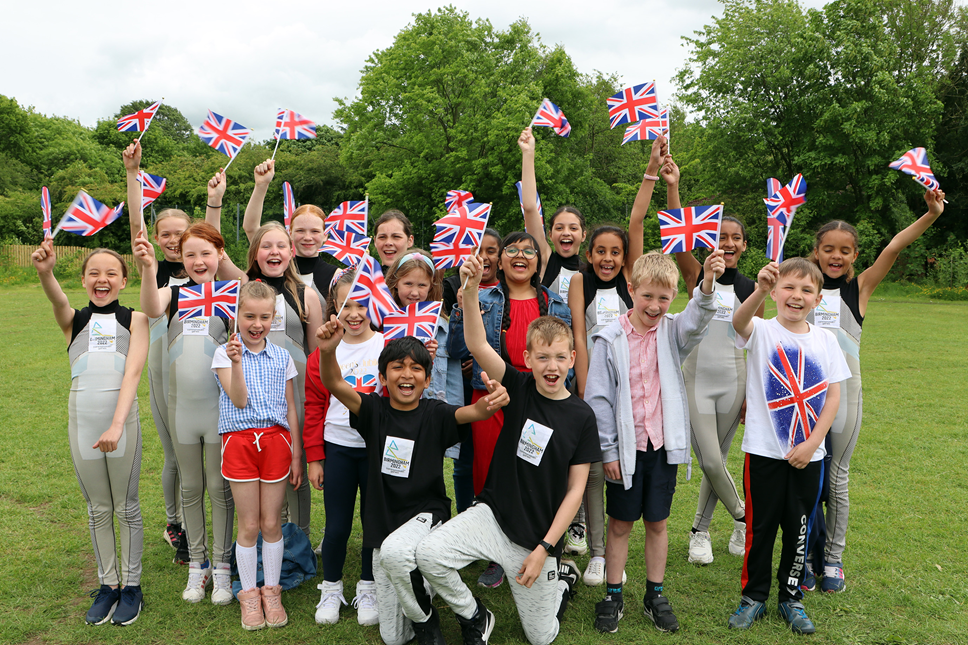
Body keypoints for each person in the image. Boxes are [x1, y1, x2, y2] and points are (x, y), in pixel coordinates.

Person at [416, 253, 599, 645]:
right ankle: (475, 615)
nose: (552, 366)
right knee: (429, 554)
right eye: (543, 357)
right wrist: (467, 293)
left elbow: (576, 491)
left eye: (560, 357)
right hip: (492, 515)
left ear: (573, 359)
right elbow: (477, 342)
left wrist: (544, 549)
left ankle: (562, 581)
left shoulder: (583, 417)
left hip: (536, 539)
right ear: (528, 358)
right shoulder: (518, 387)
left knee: (541, 637)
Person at [315, 320, 509, 645]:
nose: (407, 374)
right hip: (383, 528)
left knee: (399, 556)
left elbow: (472, 412)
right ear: (382, 377)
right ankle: (420, 587)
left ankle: (431, 623)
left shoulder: (436, 413)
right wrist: (328, 350)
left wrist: (490, 402)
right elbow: (334, 382)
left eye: (416, 368)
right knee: (393, 638)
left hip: (426, 517)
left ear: (428, 379)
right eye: (397, 367)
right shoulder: (372, 409)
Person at [806, 188, 945, 592]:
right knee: (806, 482)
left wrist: (932, 214)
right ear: (815, 252)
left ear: (854, 255)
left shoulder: (860, 288)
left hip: (846, 395)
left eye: (845, 250)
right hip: (804, 398)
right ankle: (805, 556)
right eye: (828, 248)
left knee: (835, 479)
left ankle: (832, 559)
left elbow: (895, 245)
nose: (836, 256)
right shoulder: (801, 288)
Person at [585, 250, 722, 635]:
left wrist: (707, 281)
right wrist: (608, 449)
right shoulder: (608, 338)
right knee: (621, 524)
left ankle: (654, 594)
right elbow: (598, 399)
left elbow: (698, 320)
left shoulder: (672, 331)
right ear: (631, 290)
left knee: (657, 523)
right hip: (625, 453)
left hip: (661, 448)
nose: (655, 305)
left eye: (664, 298)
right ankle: (613, 594)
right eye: (647, 296)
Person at [727, 257, 850, 635]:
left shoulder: (826, 340)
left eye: (806, 290)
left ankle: (791, 596)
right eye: (789, 287)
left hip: (808, 457)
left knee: (799, 529)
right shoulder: (762, 331)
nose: (797, 296)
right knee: (760, 528)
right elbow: (738, 322)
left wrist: (812, 443)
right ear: (777, 292)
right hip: (764, 452)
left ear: (817, 299)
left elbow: (833, 396)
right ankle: (754, 597)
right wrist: (760, 289)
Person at [448, 231, 572, 589]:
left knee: (537, 472)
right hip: (493, 397)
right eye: (512, 251)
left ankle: (538, 545)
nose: (520, 256)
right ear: (499, 260)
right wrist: (464, 299)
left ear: (539, 260)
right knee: (489, 474)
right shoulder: (482, 297)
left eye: (529, 251)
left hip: (540, 399)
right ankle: (493, 553)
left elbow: (564, 356)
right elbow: (460, 347)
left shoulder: (555, 302)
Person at [33, 243, 148, 625]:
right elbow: (57, 299)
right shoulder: (74, 321)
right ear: (83, 280)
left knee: (126, 506)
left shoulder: (135, 319)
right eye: (94, 273)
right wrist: (46, 272)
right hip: (81, 424)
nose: (103, 279)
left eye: (111, 273)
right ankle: (108, 585)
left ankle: (132, 587)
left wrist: (117, 423)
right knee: (98, 509)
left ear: (124, 280)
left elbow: (131, 374)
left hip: (121, 424)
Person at [122, 139, 226, 562]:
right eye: (163, 235)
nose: (169, 241)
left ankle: (211, 533)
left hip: (204, 375)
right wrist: (132, 175)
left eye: (177, 236)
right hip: (164, 374)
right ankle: (176, 525)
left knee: (206, 459)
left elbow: (210, 234)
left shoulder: (205, 270)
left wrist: (214, 203)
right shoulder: (157, 271)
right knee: (174, 456)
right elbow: (136, 228)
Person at [664, 157, 764, 565]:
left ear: (744, 243)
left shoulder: (754, 287)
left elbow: (756, 344)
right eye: (720, 235)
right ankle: (745, 517)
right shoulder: (694, 274)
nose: (727, 242)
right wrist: (673, 184)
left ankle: (699, 532)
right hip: (695, 380)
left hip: (734, 383)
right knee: (707, 457)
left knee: (716, 461)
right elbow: (678, 232)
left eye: (735, 237)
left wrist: (750, 396)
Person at [136, 222, 236, 604]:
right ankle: (198, 565)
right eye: (190, 253)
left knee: (219, 488)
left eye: (206, 253)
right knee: (191, 488)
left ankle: (224, 566)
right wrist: (148, 267)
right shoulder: (174, 294)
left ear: (219, 256)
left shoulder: (232, 295)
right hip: (182, 412)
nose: (198, 261)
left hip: (219, 412)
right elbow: (149, 307)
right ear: (180, 256)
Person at [212, 281, 304, 630]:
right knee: (249, 524)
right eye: (249, 315)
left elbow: (291, 410)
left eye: (264, 317)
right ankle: (249, 595)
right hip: (239, 442)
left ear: (274, 317)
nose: (256, 324)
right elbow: (238, 399)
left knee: (270, 523)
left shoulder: (281, 357)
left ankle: (271, 591)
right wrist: (236, 363)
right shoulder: (225, 353)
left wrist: (296, 453)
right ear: (236, 315)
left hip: (277, 442)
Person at [305, 269, 384, 626]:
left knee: (373, 522)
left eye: (362, 304)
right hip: (337, 447)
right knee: (336, 526)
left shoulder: (386, 345)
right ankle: (331, 588)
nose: (354, 313)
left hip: (376, 449)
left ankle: (368, 586)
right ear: (333, 305)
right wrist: (315, 457)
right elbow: (313, 407)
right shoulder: (322, 351)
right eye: (346, 304)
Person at [245, 221, 323, 540]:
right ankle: (270, 533)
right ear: (255, 253)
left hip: (297, 394)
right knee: (261, 466)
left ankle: (300, 538)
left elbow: (317, 354)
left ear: (291, 252)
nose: (274, 251)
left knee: (296, 468)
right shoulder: (239, 291)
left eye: (281, 245)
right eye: (266, 245)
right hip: (254, 395)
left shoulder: (306, 294)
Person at [441, 229, 502, 512]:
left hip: (498, 385)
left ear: (500, 257)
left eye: (491, 250)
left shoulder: (508, 291)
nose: (483, 257)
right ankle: (466, 515)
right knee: (465, 460)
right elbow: (456, 347)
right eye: (477, 251)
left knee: (496, 458)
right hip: (466, 388)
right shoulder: (457, 287)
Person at [242, 160, 337, 303]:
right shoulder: (277, 264)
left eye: (315, 231)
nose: (307, 237)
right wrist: (261, 186)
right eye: (300, 230)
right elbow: (250, 227)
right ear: (290, 233)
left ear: (325, 235)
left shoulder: (337, 275)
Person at [519, 127, 587, 300]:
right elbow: (529, 207)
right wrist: (528, 153)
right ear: (549, 234)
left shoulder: (590, 271)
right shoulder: (546, 259)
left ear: (583, 235)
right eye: (559, 228)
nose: (566, 232)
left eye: (573, 228)